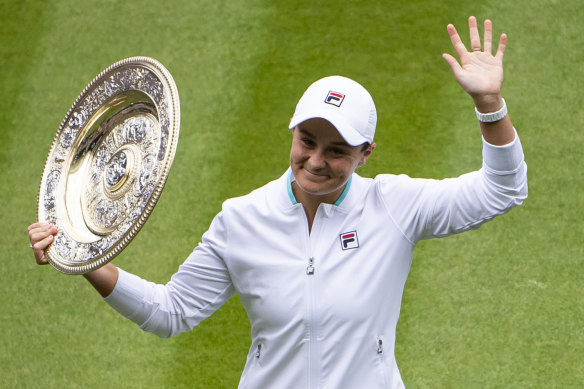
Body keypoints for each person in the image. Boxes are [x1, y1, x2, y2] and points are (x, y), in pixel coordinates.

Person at [28, 17, 527, 389]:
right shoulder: (241, 219)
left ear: (366, 154)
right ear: (292, 131)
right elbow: (170, 311)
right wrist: (84, 257)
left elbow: (501, 189)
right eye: (306, 141)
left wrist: (489, 105)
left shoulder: (395, 205)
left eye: (337, 151)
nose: (315, 161)